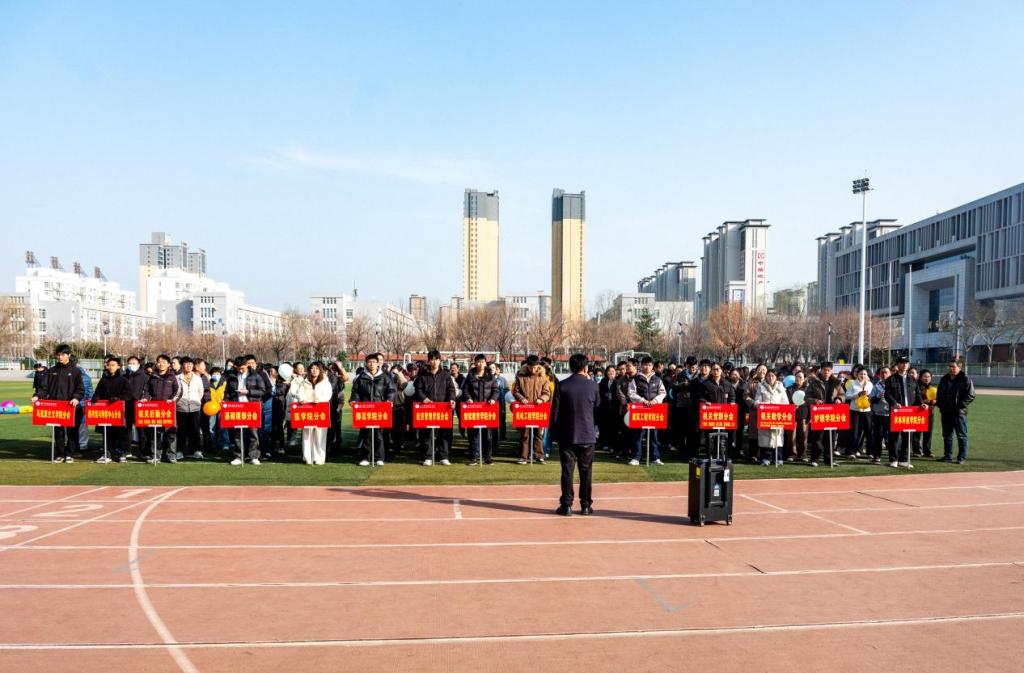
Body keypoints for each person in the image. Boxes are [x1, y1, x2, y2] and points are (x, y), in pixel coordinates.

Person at [550, 353, 599, 516]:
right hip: (587, 434)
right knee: (586, 472)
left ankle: (566, 505)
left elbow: (555, 411)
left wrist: (554, 433)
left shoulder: (563, 385)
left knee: (567, 471)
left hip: (567, 434)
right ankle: (585, 505)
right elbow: (597, 407)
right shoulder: (593, 386)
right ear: (585, 367)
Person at [34, 344, 85, 463]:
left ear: (69, 355)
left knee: (72, 431)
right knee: (58, 431)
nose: (60, 357)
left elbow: (80, 388)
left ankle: (70, 453)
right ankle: (60, 453)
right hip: (57, 407)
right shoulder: (52, 370)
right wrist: (37, 395)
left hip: (71, 406)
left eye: (63, 354)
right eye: (58, 355)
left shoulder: (76, 371)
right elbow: (44, 387)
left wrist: (76, 397)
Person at [414, 350, 459, 466]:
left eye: (436, 359)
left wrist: (452, 399)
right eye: (432, 359)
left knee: (444, 433)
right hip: (427, 407)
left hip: (442, 408)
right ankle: (428, 456)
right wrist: (424, 398)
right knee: (427, 433)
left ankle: (444, 456)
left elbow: (451, 389)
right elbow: (418, 389)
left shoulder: (445, 375)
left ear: (440, 360)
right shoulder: (423, 375)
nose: (434, 362)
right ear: (429, 361)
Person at [350, 353, 396, 466]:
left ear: (378, 364)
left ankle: (379, 457)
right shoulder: (361, 377)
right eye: (369, 362)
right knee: (366, 434)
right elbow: (355, 391)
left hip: (380, 409)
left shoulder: (384, 377)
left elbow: (391, 390)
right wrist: (354, 400)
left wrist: (389, 400)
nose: (371, 364)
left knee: (379, 435)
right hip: (365, 410)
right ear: (366, 364)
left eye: (374, 362)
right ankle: (365, 457)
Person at [224, 355, 265, 466]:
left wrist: (248, 392)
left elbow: (262, 391)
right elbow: (227, 392)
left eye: (242, 368)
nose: (240, 370)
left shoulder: (256, 375)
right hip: (237, 407)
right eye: (238, 368)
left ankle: (254, 456)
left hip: (252, 407)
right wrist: (225, 401)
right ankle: (239, 456)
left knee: (253, 433)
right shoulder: (232, 376)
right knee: (238, 433)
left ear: (247, 365)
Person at [141, 354, 182, 464]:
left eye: (164, 362)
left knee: (171, 432)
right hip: (155, 410)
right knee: (155, 432)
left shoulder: (173, 377)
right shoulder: (152, 377)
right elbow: (147, 391)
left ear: (168, 365)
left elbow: (178, 391)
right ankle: (156, 455)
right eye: (159, 362)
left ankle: (171, 455)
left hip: (168, 409)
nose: (161, 364)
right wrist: (145, 399)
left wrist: (172, 400)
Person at [511, 355, 552, 464]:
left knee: (538, 434)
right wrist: (521, 398)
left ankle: (539, 456)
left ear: (538, 366)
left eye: (535, 367)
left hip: (538, 408)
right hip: (525, 409)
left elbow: (547, 393)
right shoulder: (520, 377)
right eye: (530, 367)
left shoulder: (543, 377)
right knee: (525, 434)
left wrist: (541, 399)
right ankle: (523, 457)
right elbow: (515, 391)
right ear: (527, 366)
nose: (533, 369)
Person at [627, 356, 667, 466]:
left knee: (654, 435)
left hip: (654, 409)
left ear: (652, 366)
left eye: (649, 365)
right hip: (640, 409)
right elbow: (631, 393)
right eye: (645, 365)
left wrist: (656, 400)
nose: (647, 367)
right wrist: (642, 400)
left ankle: (655, 457)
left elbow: (663, 392)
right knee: (638, 435)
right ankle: (636, 457)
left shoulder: (657, 379)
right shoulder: (636, 379)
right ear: (641, 366)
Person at [884, 356, 923, 468]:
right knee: (894, 437)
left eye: (906, 363)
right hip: (897, 411)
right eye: (902, 363)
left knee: (908, 436)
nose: (904, 365)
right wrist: (894, 403)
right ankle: (893, 459)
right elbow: (887, 394)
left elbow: (918, 394)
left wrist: (922, 404)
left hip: (910, 412)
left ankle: (903, 459)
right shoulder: (891, 379)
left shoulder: (913, 379)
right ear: (897, 364)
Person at [461, 354, 499, 465]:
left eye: (482, 362)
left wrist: (493, 399)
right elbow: (465, 390)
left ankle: (488, 458)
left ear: (485, 363)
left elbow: (496, 390)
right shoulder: (470, 376)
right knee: (473, 435)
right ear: (475, 363)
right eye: (478, 362)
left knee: (488, 436)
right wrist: (468, 398)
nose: (480, 364)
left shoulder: (490, 376)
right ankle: (473, 457)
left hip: (487, 409)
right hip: (473, 409)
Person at [91, 356, 130, 463]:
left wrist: (118, 398)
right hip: (106, 411)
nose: (111, 367)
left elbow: (128, 395)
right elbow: (98, 392)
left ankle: (121, 454)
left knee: (120, 433)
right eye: (109, 365)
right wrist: (96, 397)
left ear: (118, 366)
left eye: (113, 365)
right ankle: (106, 454)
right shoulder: (104, 380)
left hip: (119, 411)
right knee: (106, 432)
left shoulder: (123, 380)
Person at [936, 359, 975, 464]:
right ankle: (947, 456)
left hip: (958, 413)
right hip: (946, 411)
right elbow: (939, 393)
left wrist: (960, 406)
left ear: (959, 367)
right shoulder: (944, 379)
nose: (951, 368)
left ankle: (961, 458)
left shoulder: (965, 379)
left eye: (953, 366)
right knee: (947, 435)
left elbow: (971, 395)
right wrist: (940, 404)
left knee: (961, 435)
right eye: (949, 366)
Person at [805, 362, 844, 465]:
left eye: (828, 370)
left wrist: (839, 399)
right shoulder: (814, 382)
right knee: (818, 438)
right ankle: (814, 459)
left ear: (831, 371)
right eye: (824, 370)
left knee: (831, 437)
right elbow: (806, 397)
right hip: (819, 413)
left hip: (832, 413)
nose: (826, 372)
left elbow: (842, 394)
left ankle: (829, 459)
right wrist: (815, 401)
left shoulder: (837, 382)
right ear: (820, 371)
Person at [696, 362, 736, 460]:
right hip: (710, 415)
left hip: (723, 415)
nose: (716, 371)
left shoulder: (727, 384)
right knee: (710, 436)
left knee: (722, 436)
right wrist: (705, 402)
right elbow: (700, 396)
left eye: (718, 369)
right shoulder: (706, 384)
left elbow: (732, 396)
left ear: (721, 370)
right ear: (711, 371)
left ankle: (721, 456)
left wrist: (732, 402)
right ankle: (710, 456)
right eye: (714, 369)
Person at [297, 361, 332, 465]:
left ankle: (319, 458)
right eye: (312, 368)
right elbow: (299, 392)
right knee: (307, 434)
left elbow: (328, 395)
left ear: (320, 370)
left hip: (320, 409)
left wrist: (319, 399)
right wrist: (301, 399)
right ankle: (307, 457)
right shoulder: (305, 381)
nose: (314, 370)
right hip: (307, 410)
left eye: (317, 368)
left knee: (320, 435)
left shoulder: (325, 382)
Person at [753, 369, 788, 466]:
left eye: (773, 376)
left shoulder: (781, 387)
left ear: (776, 377)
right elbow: (756, 401)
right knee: (765, 437)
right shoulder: (761, 386)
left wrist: (776, 407)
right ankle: (765, 458)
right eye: (769, 376)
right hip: (765, 416)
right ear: (766, 377)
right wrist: (767, 405)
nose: (770, 377)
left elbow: (785, 402)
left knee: (778, 437)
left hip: (777, 416)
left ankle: (778, 458)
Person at [176, 357, 205, 460]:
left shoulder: (198, 378)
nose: (188, 366)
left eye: (190, 364)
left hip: (194, 408)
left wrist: (196, 400)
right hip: (180, 408)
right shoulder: (177, 378)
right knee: (181, 431)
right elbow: (175, 392)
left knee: (195, 430)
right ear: (182, 365)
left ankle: (196, 450)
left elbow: (200, 392)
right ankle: (180, 451)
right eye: (186, 364)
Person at [844, 366, 873, 459]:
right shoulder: (852, 383)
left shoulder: (870, 384)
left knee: (868, 432)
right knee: (854, 432)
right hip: (855, 410)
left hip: (867, 410)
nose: (862, 375)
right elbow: (847, 396)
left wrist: (868, 395)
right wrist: (858, 394)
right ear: (857, 374)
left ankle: (870, 452)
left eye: (864, 374)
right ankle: (852, 451)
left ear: (867, 375)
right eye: (861, 373)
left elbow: (873, 396)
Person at [123, 355, 149, 458]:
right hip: (127, 406)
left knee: (141, 430)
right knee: (127, 429)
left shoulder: (144, 377)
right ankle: (127, 450)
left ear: (138, 365)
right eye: (130, 363)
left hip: (140, 406)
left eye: (134, 363)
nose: (131, 365)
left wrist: (144, 398)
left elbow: (147, 390)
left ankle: (143, 451)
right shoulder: (124, 376)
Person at [868, 366, 891, 464]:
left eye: (886, 372)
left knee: (893, 437)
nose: (884, 374)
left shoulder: (893, 385)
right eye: (882, 372)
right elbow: (870, 399)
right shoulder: (876, 386)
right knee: (878, 436)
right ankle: (877, 456)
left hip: (891, 414)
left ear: (890, 374)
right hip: (878, 415)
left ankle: (894, 457)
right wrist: (877, 397)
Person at [786, 370, 810, 463]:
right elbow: (786, 401)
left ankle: (803, 454)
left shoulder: (808, 389)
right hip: (791, 414)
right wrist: (792, 405)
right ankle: (792, 454)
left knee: (803, 435)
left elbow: (810, 401)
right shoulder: (789, 389)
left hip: (804, 414)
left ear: (804, 379)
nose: (798, 379)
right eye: (796, 377)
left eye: (800, 377)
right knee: (792, 435)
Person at [597, 364, 621, 454]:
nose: (611, 373)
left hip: (615, 407)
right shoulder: (603, 381)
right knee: (605, 426)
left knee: (614, 427)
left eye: (613, 371)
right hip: (605, 407)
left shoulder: (618, 381)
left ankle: (613, 445)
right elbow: (600, 393)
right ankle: (605, 443)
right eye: (609, 371)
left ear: (616, 372)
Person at [913, 369, 936, 458]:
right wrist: (925, 401)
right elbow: (915, 399)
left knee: (928, 433)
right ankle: (917, 451)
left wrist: (935, 401)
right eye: (925, 376)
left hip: (930, 412)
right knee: (917, 433)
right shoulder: (916, 386)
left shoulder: (932, 388)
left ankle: (927, 451)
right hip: (918, 412)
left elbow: (937, 400)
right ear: (920, 377)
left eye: (929, 377)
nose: (927, 378)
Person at [489, 362, 509, 441]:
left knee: (502, 420)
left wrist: (504, 395)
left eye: (496, 368)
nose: (495, 370)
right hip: (490, 404)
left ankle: (502, 436)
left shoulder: (502, 380)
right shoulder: (487, 379)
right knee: (492, 421)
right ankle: (492, 438)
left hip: (501, 403)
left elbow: (507, 389)